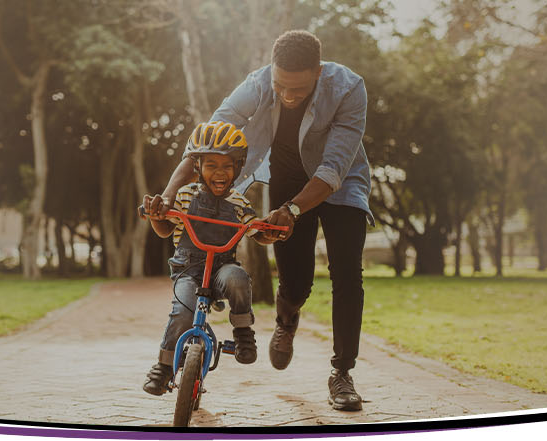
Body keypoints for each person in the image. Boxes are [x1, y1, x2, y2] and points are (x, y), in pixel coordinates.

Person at [162, 30, 372, 411]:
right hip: (288, 181)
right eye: (281, 87)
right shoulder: (258, 84)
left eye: (299, 90)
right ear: (271, 73)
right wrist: (169, 192)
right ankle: (287, 317)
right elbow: (208, 140)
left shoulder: (348, 88)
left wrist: (292, 211)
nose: (288, 96)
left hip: (340, 184)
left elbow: (334, 166)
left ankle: (342, 373)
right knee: (296, 282)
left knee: (347, 274)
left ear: (318, 73)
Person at [139, 121, 283, 397]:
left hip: (222, 269)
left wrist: (271, 233)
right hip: (188, 270)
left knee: (238, 279)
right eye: (211, 165)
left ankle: (243, 333)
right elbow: (165, 229)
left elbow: (256, 231)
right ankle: (164, 366)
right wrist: (157, 217)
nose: (220, 172)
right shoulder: (183, 195)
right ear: (198, 168)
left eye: (227, 166)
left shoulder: (240, 203)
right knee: (182, 313)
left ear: (238, 168)